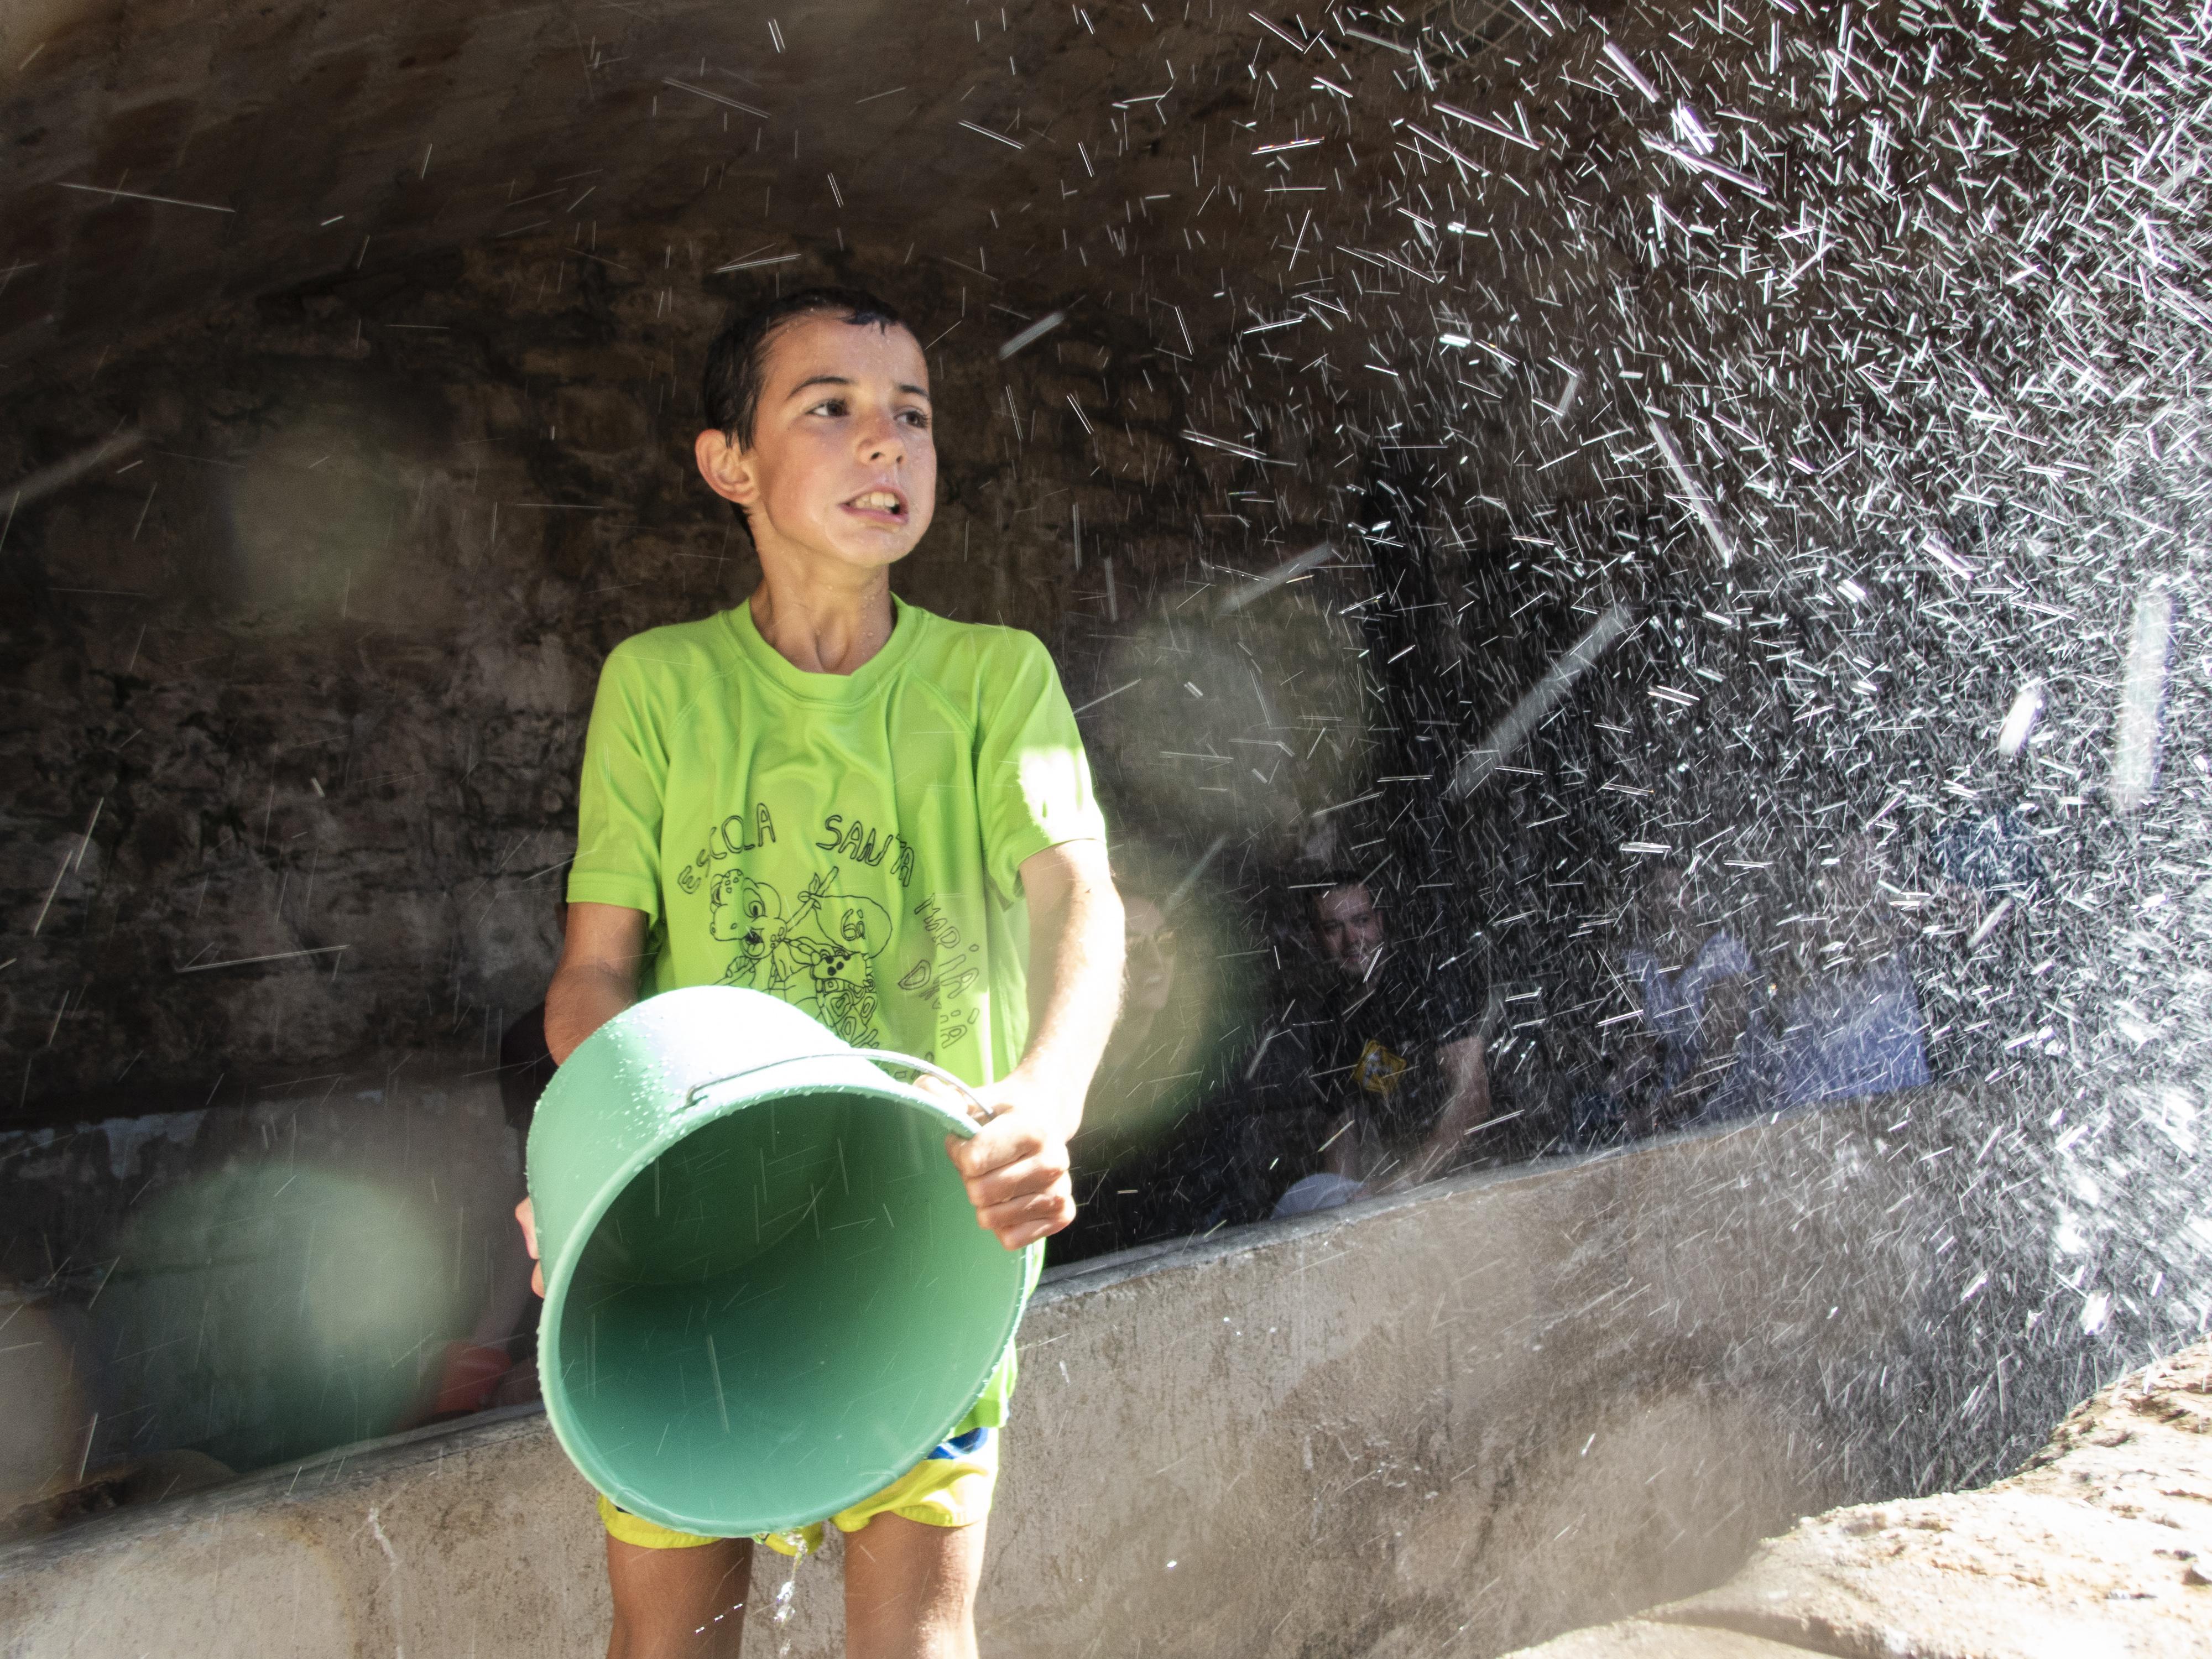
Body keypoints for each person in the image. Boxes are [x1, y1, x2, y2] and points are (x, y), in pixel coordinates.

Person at [514, 287, 1123, 1659]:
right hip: (697, 1226)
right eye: (830, 408)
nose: (883, 444)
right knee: (667, 1638)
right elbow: (590, 979)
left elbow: (1082, 898)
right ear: (729, 463)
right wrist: (587, 1151)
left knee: (913, 1638)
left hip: (927, 1240)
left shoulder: (993, 680)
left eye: (910, 415)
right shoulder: (658, 687)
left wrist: (1045, 1096)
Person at [1271, 873, 1491, 1215]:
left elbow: (1472, 1099)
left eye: (1361, 921)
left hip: (1487, 1171)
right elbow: (1342, 1130)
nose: (1351, 941)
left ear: (1380, 921)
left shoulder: (1429, 980)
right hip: (1407, 1183)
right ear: (1316, 939)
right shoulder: (1332, 1018)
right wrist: (1339, 1207)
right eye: (1333, 929)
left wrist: (1407, 1180)